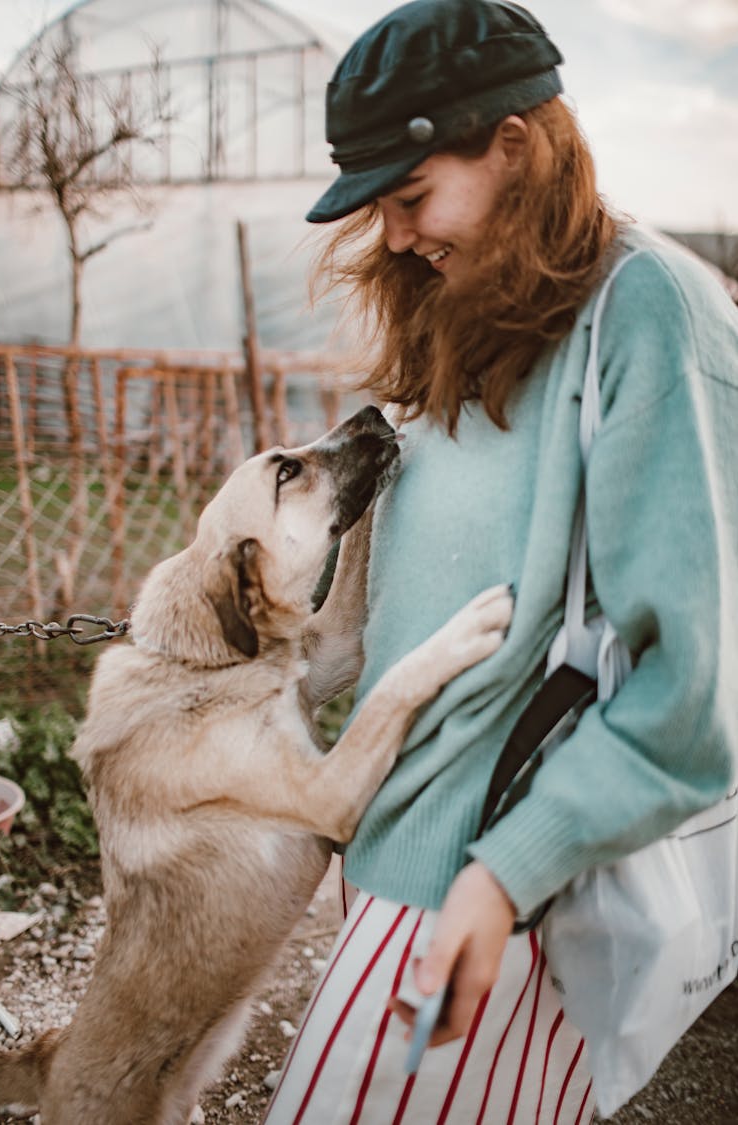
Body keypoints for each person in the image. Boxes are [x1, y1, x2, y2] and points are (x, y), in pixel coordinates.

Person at [264, 1, 738, 1121]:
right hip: (395, 871)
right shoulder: (461, 315)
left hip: (503, 905)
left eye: (411, 196)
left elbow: (694, 688)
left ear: (516, 145)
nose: (389, 237)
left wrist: (503, 873)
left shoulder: (648, 312)